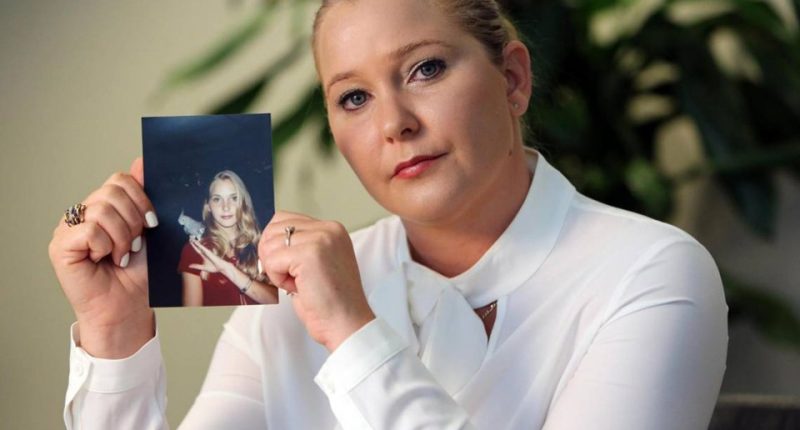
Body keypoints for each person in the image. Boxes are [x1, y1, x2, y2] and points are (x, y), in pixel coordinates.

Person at [48, 0, 728, 428]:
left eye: (426, 69)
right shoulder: (280, 299)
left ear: (513, 79)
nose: (394, 124)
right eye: (353, 99)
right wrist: (112, 333)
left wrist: (353, 331)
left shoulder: (650, 271)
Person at [178, 170, 278, 306]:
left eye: (234, 198)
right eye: (217, 199)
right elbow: (190, 317)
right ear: (208, 207)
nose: (226, 207)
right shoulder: (195, 251)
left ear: (243, 202)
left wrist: (229, 270)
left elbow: (279, 302)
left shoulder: (262, 244)